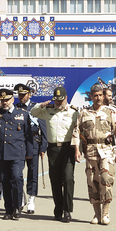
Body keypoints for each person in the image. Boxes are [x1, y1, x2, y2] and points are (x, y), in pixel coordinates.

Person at [72, 84, 116, 225]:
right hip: (90, 151)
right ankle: (97, 214)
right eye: (95, 95)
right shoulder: (84, 113)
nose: (98, 98)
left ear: (103, 95)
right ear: (91, 97)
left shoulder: (110, 112)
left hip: (107, 150)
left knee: (106, 179)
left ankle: (106, 212)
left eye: (100, 95)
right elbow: (77, 132)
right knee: (92, 182)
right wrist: (77, 151)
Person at [0, 88, 33, 220]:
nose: (4, 102)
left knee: (17, 178)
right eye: (2, 100)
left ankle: (17, 207)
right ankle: (8, 210)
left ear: (12, 100)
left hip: (17, 153)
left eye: (7, 100)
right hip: (2, 154)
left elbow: (28, 134)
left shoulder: (22, 114)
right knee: (5, 182)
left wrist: (29, 153)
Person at [30, 87, 78, 222]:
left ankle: (67, 210)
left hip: (68, 148)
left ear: (66, 98)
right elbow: (33, 112)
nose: (58, 103)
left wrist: (78, 149)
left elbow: (78, 131)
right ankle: (58, 209)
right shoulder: (48, 110)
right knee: (55, 180)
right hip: (53, 149)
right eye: (56, 101)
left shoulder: (73, 112)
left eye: (60, 100)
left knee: (68, 178)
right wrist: (42, 104)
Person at [14, 83, 47, 214]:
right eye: (19, 95)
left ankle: (31, 199)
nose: (21, 97)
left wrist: (43, 147)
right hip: (18, 142)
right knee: (17, 172)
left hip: (33, 141)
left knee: (33, 173)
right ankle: (21, 196)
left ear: (29, 94)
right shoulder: (15, 108)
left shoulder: (36, 108)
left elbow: (43, 128)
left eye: (23, 95)